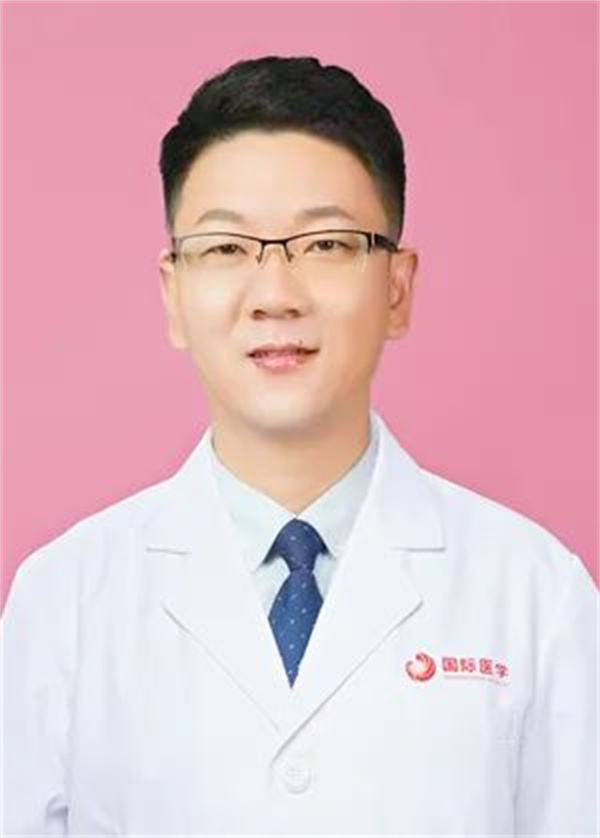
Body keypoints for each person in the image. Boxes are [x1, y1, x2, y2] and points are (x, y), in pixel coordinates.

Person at [2, 55, 597, 837]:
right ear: (173, 293)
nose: (276, 295)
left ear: (397, 289)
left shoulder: (537, 595)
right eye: (226, 249)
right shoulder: (64, 600)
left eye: (326, 244)